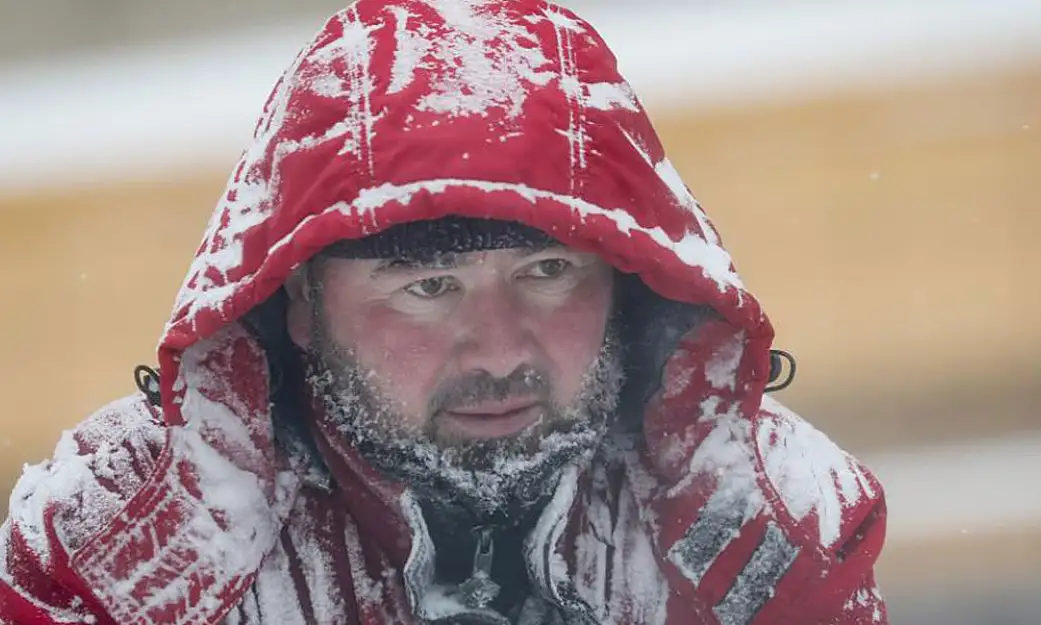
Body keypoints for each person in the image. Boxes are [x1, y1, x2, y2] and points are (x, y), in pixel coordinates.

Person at [0, 1, 888, 623]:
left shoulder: (767, 523)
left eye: (547, 270)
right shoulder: (119, 541)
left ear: (628, 275)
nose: (500, 347)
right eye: (427, 286)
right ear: (299, 301)